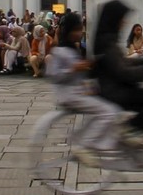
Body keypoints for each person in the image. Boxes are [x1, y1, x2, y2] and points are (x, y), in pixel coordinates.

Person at [92, 0, 143, 153]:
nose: (124, 22)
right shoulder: (107, 43)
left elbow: (124, 62)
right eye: (122, 19)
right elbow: (123, 72)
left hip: (114, 88)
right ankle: (129, 129)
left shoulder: (107, 39)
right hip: (114, 92)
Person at [48, 11, 121, 157]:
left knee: (107, 102)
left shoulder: (73, 48)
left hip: (79, 91)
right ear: (68, 31)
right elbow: (53, 74)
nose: (79, 33)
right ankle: (89, 144)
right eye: (76, 30)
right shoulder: (58, 51)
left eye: (80, 29)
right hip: (70, 94)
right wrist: (72, 69)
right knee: (110, 111)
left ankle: (94, 138)